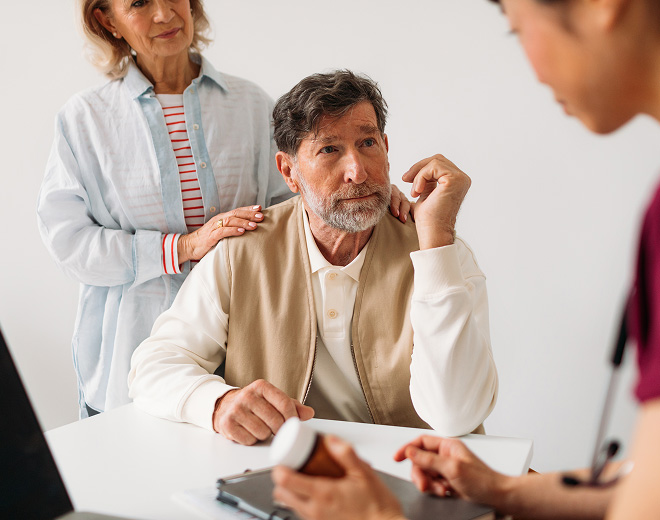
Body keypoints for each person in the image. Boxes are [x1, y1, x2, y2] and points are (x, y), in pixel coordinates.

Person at [271, 0, 660, 518]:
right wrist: (503, 491)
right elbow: (646, 483)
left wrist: (376, 516)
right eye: (329, 151)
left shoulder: (433, 246)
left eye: (517, 31)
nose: (531, 67)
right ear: (288, 171)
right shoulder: (249, 245)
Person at [36, 0, 410, 418]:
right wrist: (183, 246)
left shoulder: (251, 105)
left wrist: (369, 197)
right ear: (107, 20)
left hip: (249, 365)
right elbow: (68, 243)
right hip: (130, 362)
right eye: (139, 3)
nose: (164, 14)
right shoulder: (85, 119)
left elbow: (303, 199)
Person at [128, 70, 498, 444]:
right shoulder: (241, 252)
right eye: (329, 149)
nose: (357, 171)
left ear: (386, 147)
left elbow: (457, 416)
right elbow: (153, 367)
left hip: (411, 473)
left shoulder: (441, 254)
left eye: (368, 142)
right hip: (287, 472)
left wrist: (436, 240)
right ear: (289, 172)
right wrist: (218, 403)